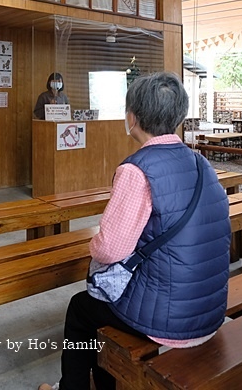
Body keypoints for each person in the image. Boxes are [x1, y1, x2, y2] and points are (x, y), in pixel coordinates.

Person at [39, 72, 231, 390]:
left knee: (81, 308)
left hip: (166, 319)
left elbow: (108, 250)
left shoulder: (137, 169)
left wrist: (97, 239)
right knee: (100, 310)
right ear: (178, 115)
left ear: (132, 117)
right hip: (208, 309)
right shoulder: (201, 163)